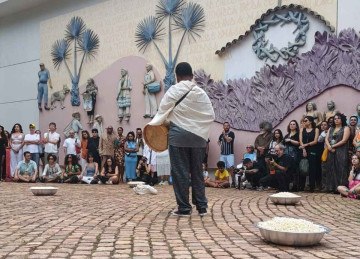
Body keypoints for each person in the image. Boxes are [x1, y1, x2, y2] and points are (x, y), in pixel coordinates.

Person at [147, 62, 215, 217]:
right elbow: (211, 115)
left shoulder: (173, 90)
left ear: (177, 76)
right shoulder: (200, 93)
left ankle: (184, 208)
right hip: (199, 138)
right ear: (191, 76)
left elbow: (161, 113)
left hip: (178, 137)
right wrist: (199, 128)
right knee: (197, 171)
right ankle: (202, 207)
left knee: (180, 172)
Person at [325, 113, 350, 193]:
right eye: (335, 119)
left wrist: (333, 146)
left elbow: (344, 140)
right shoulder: (331, 128)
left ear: (342, 119)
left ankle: (341, 188)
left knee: (341, 169)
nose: (336, 120)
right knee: (331, 168)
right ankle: (331, 187)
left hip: (341, 151)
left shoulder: (346, 128)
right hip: (331, 151)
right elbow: (326, 139)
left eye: (338, 118)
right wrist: (329, 146)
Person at [299, 116, 320, 192]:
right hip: (303, 149)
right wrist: (304, 149)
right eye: (303, 121)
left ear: (310, 121)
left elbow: (315, 141)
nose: (304, 122)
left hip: (312, 149)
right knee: (302, 166)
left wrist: (305, 145)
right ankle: (301, 186)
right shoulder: (302, 129)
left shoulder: (316, 129)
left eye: (305, 120)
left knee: (312, 168)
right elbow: (300, 140)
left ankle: (312, 187)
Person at [283, 120, 300, 191]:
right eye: (291, 124)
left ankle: (295, 186)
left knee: (294, 170)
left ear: (296, 126)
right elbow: (283, 143)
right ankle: (287, 185)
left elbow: (299, 143)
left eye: (293, 124)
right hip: (286, 153)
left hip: (294, 153)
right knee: (287, 169)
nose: (292, 125)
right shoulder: (287, 135)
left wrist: (290, 140)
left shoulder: (298, 134)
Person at [218, 122, 236, 187]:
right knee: (222, 168)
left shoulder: (231, 133)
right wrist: (220, 144)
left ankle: (233, 182)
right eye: (225, 126)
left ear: (229, 127)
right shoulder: (221, 135)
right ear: (223, 127)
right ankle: (224, 182)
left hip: (230, 154)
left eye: (227, 126)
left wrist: (224, 135)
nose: (226, 127)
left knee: (231, 168)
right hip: (222, 154)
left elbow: (228, 140)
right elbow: (219, 142)